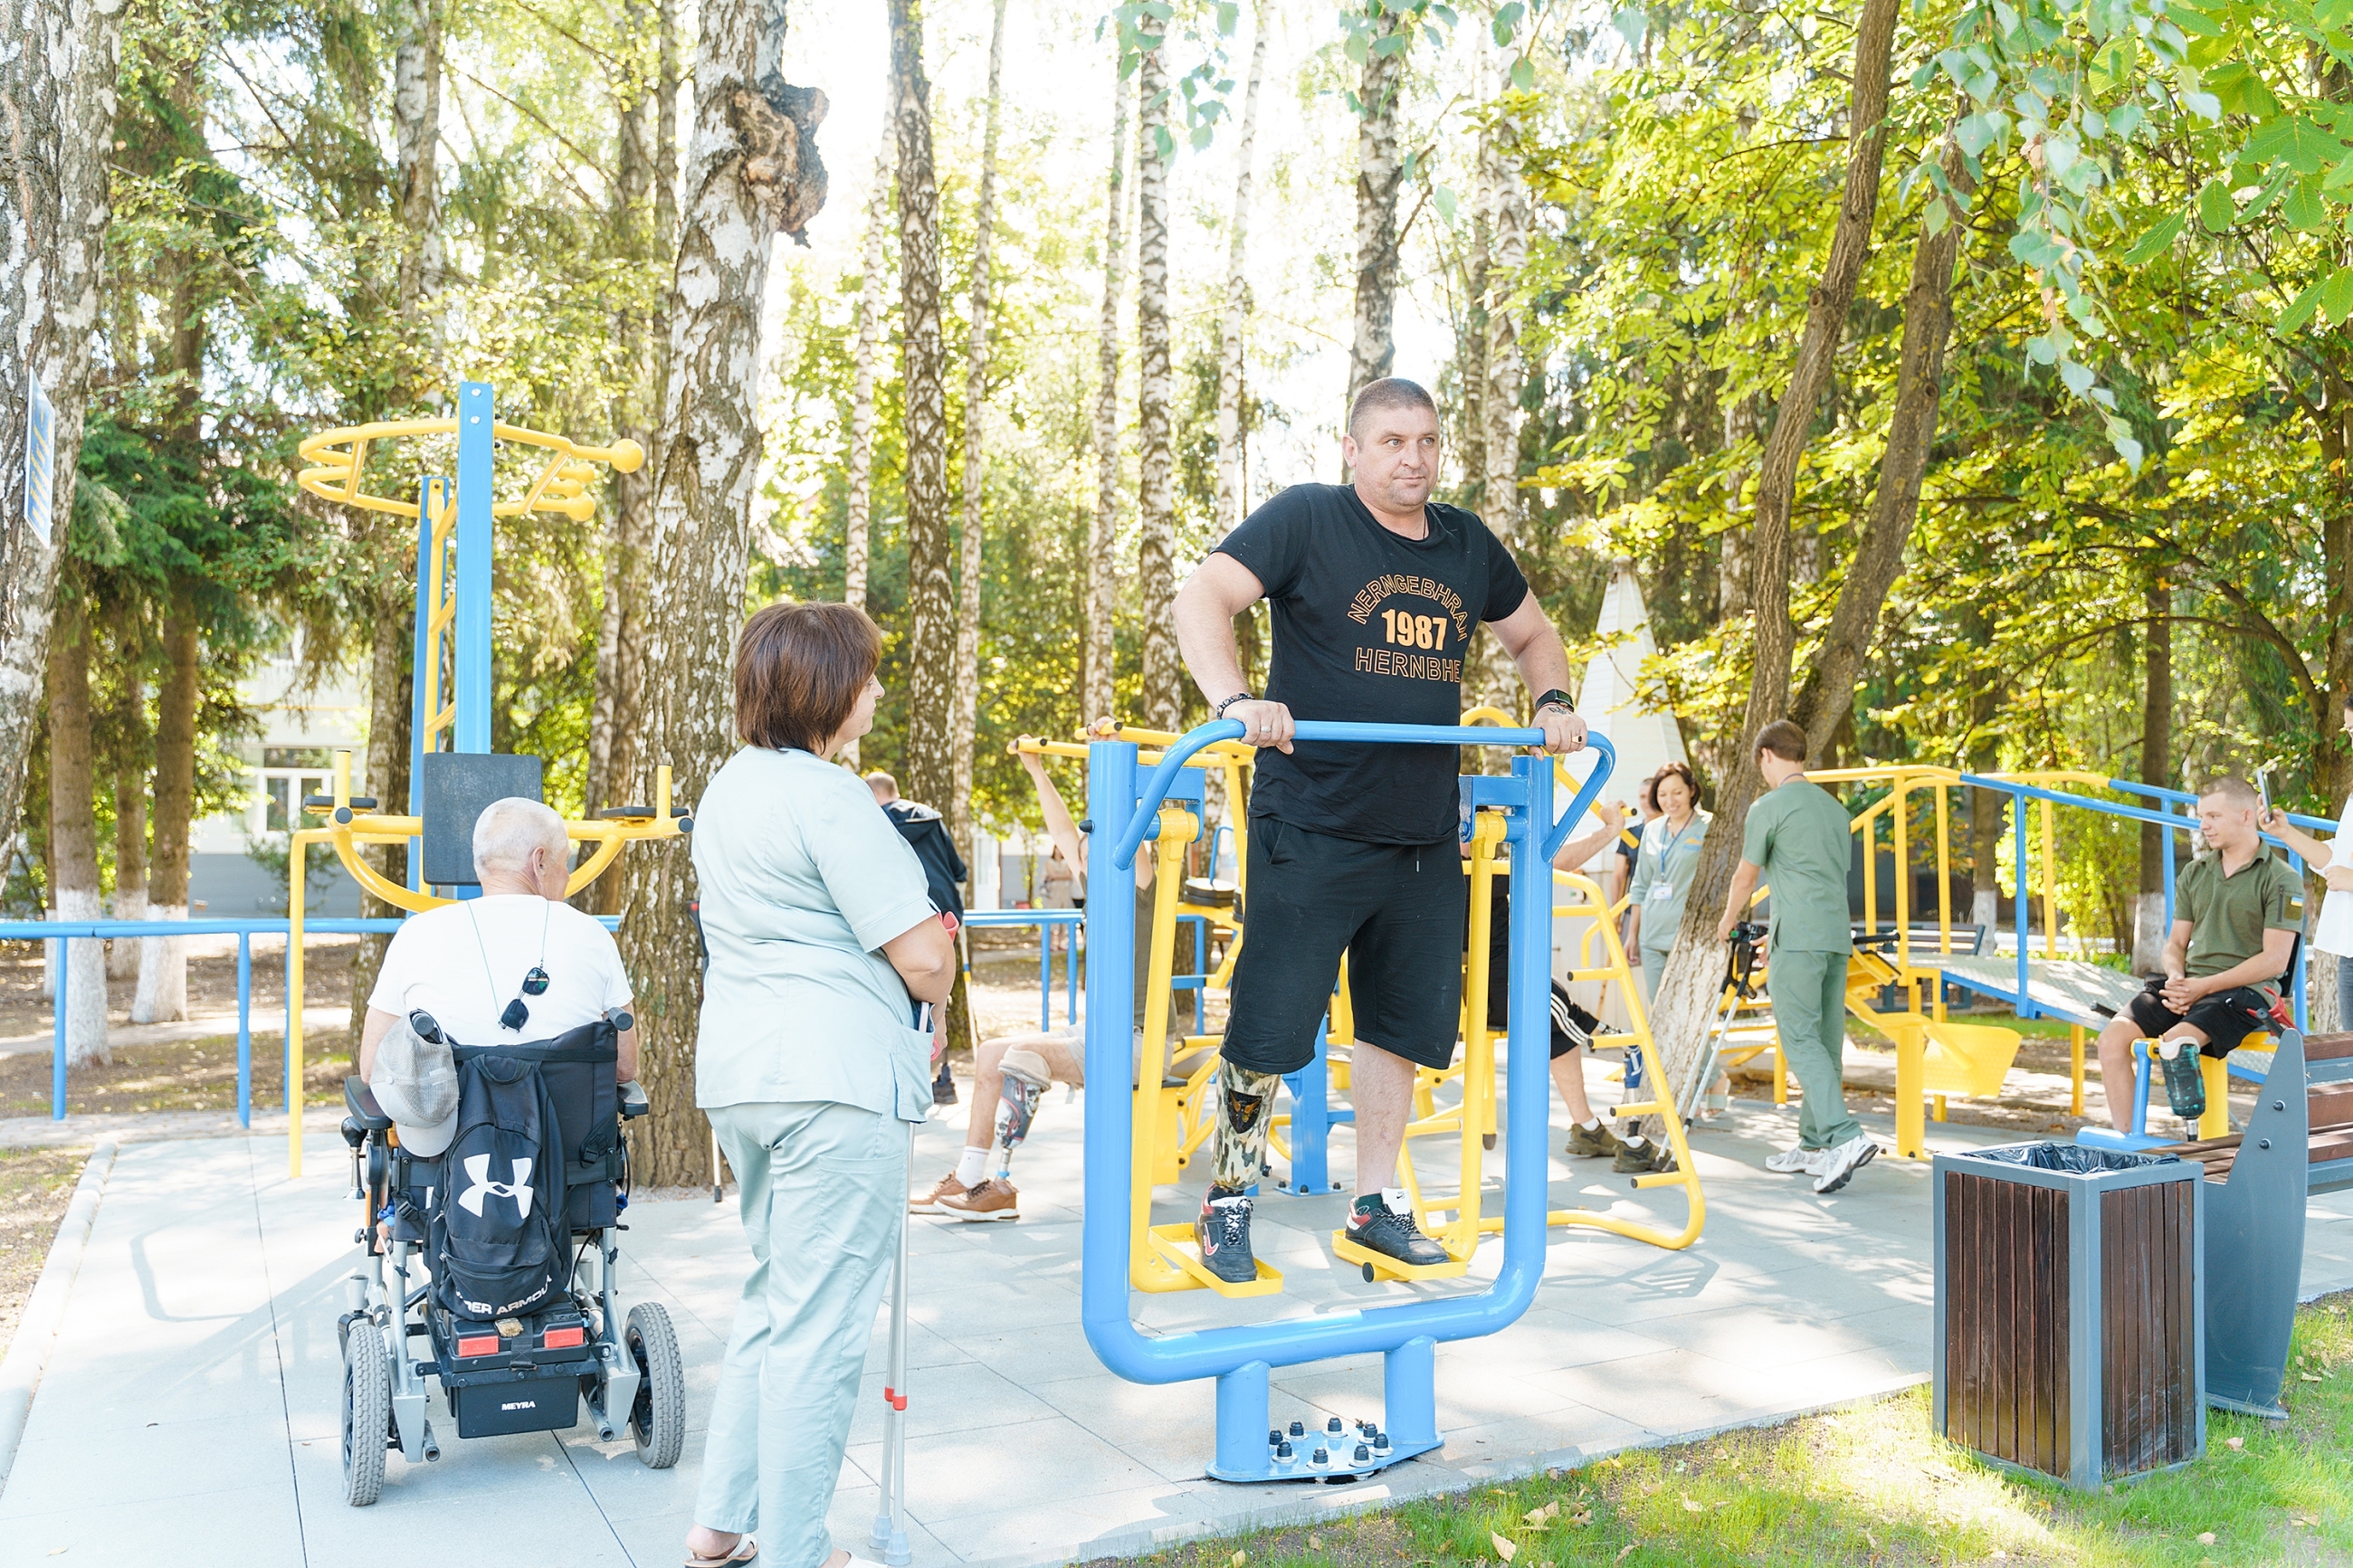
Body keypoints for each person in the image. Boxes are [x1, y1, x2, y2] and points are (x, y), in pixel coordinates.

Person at [1171, 375, 1588, 1284]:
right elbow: (1200, 597)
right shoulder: (1307, 519)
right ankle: (1228, 1198)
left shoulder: (1466, 544)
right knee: (1269, 1024)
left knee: (1398, 1026)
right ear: (1352, 448)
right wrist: (1236, 700)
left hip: (1418, 832)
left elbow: (1534, 635)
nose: (1413, 458)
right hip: (1310, 818)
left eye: (1427, 441)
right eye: (1393, 441)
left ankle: (1372, 1205)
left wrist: (1552, 697)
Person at [682, 602, 958, 1568]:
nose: (876, 689)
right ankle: (801, 1549)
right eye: (868, 674)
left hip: (746, 1076)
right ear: (828, 685)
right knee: (821, 1327)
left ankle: (719, 1525)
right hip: (832, 1077)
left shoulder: (725, 788)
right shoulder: (832, 794)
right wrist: (946, 955)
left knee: (773, 1299)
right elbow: (922, 954)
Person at [910, 738, 1200, 1221]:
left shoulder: (1144, 886)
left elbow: (1129, 827)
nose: (1079, 854)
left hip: (1136, 1043)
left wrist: (1112, 755)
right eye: (1080, 852)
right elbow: (1063, 830)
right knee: (988, 1054)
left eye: (1091, 846)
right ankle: (969, 1175)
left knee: (1025, 1056)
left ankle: (1001, 1184)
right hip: (1098, 1034)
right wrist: (1035, 769)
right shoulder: (1098, 889)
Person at [357, 796, 638, 1083]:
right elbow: (624, 1068)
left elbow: (372, 1069)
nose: (567, 875)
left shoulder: (415, 934)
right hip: (565, 1128)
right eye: (564, 861)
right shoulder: (592, 935)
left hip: (450, 1126)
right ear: (539, 861)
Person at [1712, 719, 1879, 1194]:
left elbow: (1746, 878)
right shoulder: (1835, 811)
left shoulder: (1768, 807)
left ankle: (1845, 1137)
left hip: (1798, 940)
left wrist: (1728, 920)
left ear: (1766, 755)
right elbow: (1814, 880)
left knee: (1800, 1039)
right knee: (1825, 1044)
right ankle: (1813, 1145)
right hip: (1834, 936)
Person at [2100, 774, 2301, 1131]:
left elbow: (2275, 960)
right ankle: (2130, 1148)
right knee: (2112, 1038)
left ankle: (2194, 1146)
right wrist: (2177, 978)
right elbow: (2175, 943)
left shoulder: (2281, 877)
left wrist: (2203, 987)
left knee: (2176, 1045)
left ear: (2245, 815)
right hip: (2191, 986)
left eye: (2213, 816)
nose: (2203, 825)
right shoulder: (2195, 872)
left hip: (2244, 995)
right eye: (2201, 815)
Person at [1476, 799, 1662, 1173]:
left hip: (1496, 981)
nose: (1497, 834)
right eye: (1490, 823)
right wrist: (1610, 831)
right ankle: (1618, 1044)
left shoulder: (1464, 862)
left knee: (1556, 1026)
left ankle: (1587, 1127)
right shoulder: (1476, 864)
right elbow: (1551, 859)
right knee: (1565, 1010)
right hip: (1505, 988)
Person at [1625, 762, 1726, 1114]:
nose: (1670, 800)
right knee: (1665, 1017)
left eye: (1677, 792)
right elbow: (1640, 885)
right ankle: (1704, 1081)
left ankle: (1708, 1080)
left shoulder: (1711, 827)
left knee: (1691, 1015)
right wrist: (1632, 934)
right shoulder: (1651, 831)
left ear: (1692, 791)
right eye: (1663, 794)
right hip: (1653, 933)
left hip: (1692, 936)